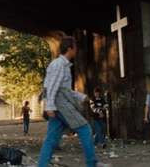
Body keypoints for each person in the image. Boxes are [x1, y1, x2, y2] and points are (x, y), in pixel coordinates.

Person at [38, 36, 102, 167]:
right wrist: (49, 106)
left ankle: (42, 165)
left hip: (57, 104)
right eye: (75, 47)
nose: (77, 50)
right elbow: (50, 87)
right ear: (69, 48)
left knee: (51, 138)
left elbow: (65, 90)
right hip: (60, 104)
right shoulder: (59, 65)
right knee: (85, 129)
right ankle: (92, 163)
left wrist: (82, 97)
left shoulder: (62, 65)